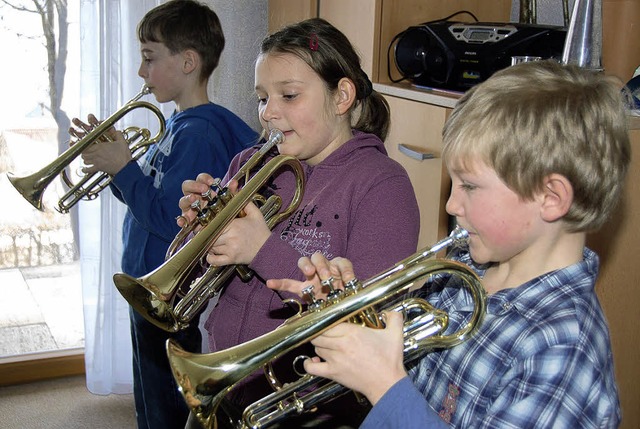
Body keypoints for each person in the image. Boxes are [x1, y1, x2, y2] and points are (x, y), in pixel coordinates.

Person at [268, 59, 631, 428]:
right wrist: (354, 312)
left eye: (470, 186)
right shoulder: (467, 266)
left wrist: (384, 385)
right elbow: (411, 361)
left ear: (551, 198)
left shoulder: (562, 349)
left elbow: (395, 389)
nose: (451, 204)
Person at [178, 17, 420, 428]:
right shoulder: (250, 165)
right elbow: (196, 283)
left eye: (288, 95)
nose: (269, 113)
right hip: (222, 382)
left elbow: (366, 317)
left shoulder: (382, 185)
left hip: (307, 404)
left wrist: (262, 250)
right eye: (261, 98)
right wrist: (199, 240)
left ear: (342, 95)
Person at [72, 1, 258, 428]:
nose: (141, 71)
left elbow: (166, 220)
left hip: (170, 295)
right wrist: (117, 166)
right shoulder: (174, 125)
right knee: (147, 389)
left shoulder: (200, 133)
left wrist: (123, 167)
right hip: (147, 284)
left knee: (164, 402)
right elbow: (147, 199)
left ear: (188, 62)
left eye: (149, 58)